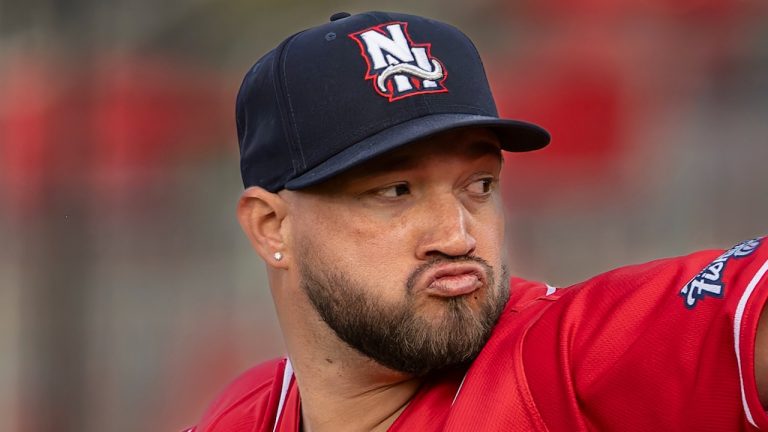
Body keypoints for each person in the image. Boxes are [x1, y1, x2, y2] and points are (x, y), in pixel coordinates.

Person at [188, 11, 768, 431]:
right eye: (395, 190)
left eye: (479, 185)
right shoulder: (248, 414)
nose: (458, 235)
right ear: (271, 227)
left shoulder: (560, 364)